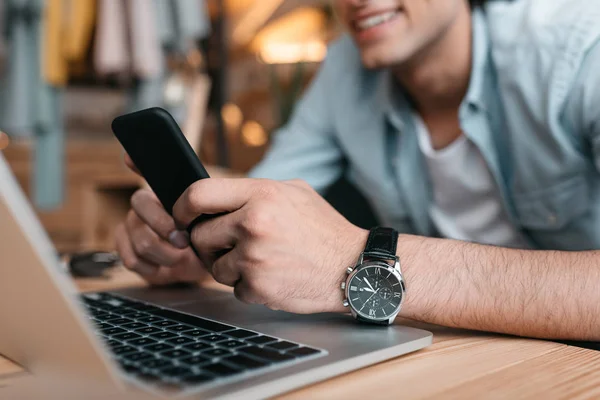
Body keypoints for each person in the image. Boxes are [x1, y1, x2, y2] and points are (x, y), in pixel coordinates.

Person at [115, 0, 600, 341]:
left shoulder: (580, 46)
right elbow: (263, 201)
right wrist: (201, 243)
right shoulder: (346, 69)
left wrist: (351, 259)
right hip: (458, 351)